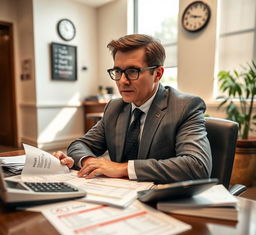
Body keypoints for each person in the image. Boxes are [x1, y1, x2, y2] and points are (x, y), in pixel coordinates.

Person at [53, 34, 212, 184]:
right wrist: (89, 162)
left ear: (157, 74)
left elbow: (197, 165)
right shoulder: (115, 107)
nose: (122, 81)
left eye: (132, 71)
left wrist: (123, 168)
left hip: (161, 201)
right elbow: (79, 145)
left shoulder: (185, 107)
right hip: (118, 195)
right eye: (117, 71)